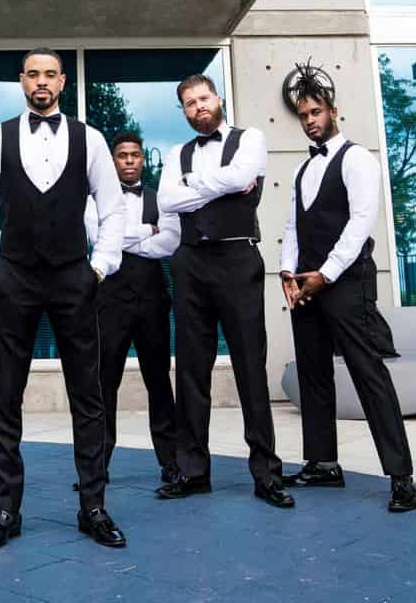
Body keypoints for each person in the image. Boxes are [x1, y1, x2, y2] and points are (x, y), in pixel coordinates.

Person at [0, 48, 127, 551]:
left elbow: (114, 208)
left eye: (50, 74)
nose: (41, 82)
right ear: (21, 81)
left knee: (89, 396)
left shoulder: (91, 139)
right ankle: (5, 510)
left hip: (74, 280)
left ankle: (93, 506)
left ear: (62, 82)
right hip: (13, 280)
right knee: (6, 397)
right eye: (33, 74)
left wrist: (98, 267)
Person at [279, 63, 416, 513]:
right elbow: (294, 224)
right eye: (304, 115)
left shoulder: (357, 158)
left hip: (346, 281)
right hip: (306, 283)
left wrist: (327, 273)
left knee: (368, 374)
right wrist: (288, 273)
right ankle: (322, 463)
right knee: (313, 373)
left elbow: (361, 223)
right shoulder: (303, 168)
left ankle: (401, 477)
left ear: (333, 111)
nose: (310, 120)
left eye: (316, 112)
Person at [155, 74, 291, 509]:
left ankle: (267, 473)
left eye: (203, 98)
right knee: (192, 370)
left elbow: (243, 175)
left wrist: (195, 187)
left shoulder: (252, 137)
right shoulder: (177, 153)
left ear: (219, 99)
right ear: (184, 111)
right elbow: (166, 201)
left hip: (237, 260)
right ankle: (193, 472)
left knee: (251, 367)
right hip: (190, 262)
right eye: (189, 103)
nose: (198, 107)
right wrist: (222, 184)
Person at [80, 131, 180, 486]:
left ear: (142, 159)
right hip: (110, 304)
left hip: (152, 302)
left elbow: (169, 242)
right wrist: (145, 231)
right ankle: (97, 465)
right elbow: (98, 237)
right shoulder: (96, 201)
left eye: (135, 155)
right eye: (122, 155)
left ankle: (171, 462)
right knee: (104, 383)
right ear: (113, 160)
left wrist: (123, 239)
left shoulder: (160, 199)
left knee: (159, 383)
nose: (129, 161)